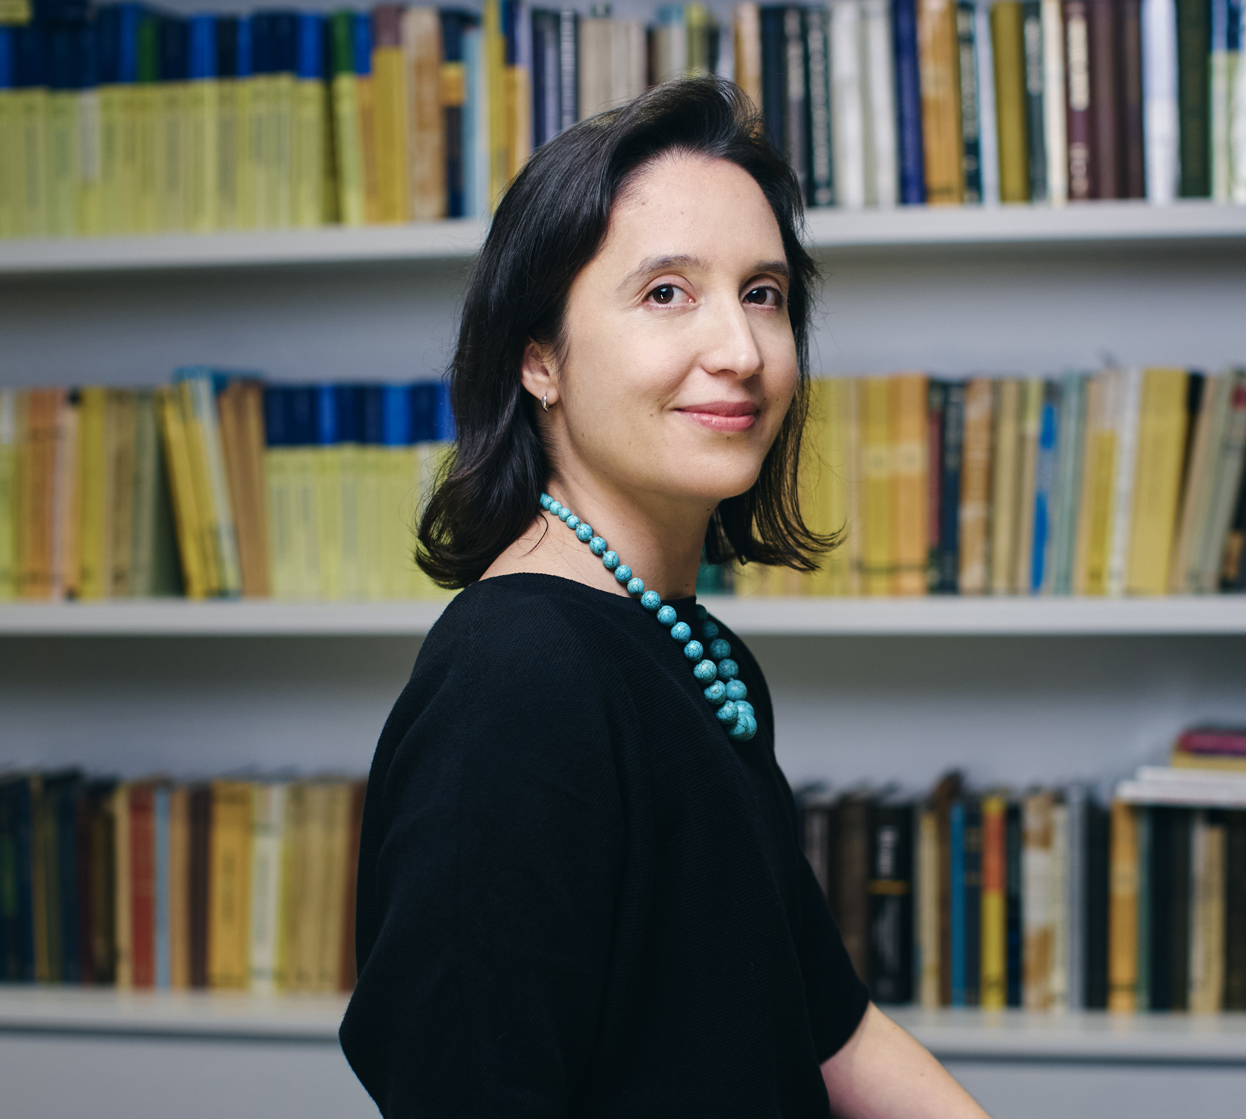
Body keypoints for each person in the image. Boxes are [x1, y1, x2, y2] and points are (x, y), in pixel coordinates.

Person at [339, 79, 992, 1118]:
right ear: (538, 358)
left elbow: (832, 1032)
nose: (738, 351)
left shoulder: (699, 652)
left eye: (763, 294)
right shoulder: (515, 679)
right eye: (665, 294)